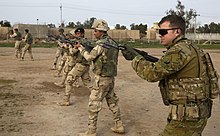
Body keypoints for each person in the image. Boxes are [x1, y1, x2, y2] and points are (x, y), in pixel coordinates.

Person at [122, 15, 218, 136]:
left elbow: (151, 74)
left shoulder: (178, 50)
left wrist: (135, 59)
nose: (160, 35)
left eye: (163, 31)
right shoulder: (193, 47)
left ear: (177, 31)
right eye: (158, 32)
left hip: (187, 116)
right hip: (198, 112)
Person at [75, 19, 125, 136]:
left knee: (93, 104)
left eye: (96, 31)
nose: (94, 32)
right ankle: (119, 125)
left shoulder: (101, 44)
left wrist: (81, 49)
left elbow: (90, 57)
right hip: (110, 78)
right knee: (112, 102)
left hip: (101, 78)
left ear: (102, 31)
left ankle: (91, 131)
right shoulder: (112, 42)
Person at [57, 27, 92, 106]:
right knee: (88, 84)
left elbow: (72, 52)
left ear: (82, 34)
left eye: (79, 33)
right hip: (85, 65)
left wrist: (71, 47)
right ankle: (97, 96)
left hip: (80, 65)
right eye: (76, 34)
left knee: (69, 81)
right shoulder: (86, 41)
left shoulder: (80, 42)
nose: (77, 35)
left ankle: (66, 100)